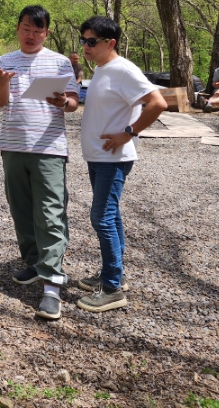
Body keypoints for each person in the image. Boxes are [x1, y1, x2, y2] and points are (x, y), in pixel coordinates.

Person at [0, 5, 80, 321]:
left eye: (38, 30)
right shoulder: (4, 61)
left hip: (49, 149)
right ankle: (33, 262)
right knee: (21, 209)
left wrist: (63, 101)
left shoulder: (58, 62)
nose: (31, 35)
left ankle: (52, 286)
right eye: (26, 28)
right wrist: (2, 81)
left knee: (50, 213)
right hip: (13, 146)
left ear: (47, 32)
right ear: (17, 28)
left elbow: (72, 102)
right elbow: (1, 101)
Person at [76, 16, 166, 313]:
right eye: (84, 40)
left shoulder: (124, 69)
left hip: (113, 160)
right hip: (98, 156)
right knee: (110, 217)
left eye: (92, 41)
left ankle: (112, 289)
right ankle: (113, 275)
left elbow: (158, 103)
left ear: (110, 43)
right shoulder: (103, 69)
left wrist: (128, 133)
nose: (86, 46)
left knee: (101, 218)